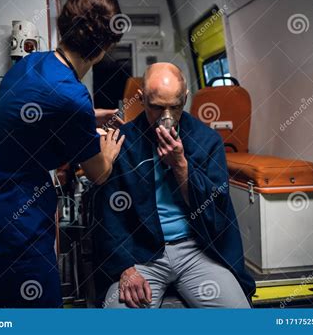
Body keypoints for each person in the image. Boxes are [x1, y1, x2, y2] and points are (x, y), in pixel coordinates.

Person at [0, 0, 125, 308]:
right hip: (20, 234)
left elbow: (41, 110)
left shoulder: (30, 63)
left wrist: (91, 115)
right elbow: (98, 173)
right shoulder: (73, 97)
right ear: (104, 48)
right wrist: (108, 149)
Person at [93, 63, 256, 308]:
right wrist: (125, 268)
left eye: (175, 107)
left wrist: (180, 166)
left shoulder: (207, 140)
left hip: (195, 250)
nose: (167, 117)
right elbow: (109, 215)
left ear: (185, 98)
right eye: (157, 107)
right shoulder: (123, 142)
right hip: (140, 255)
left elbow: (217, 210)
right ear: (142, 99)